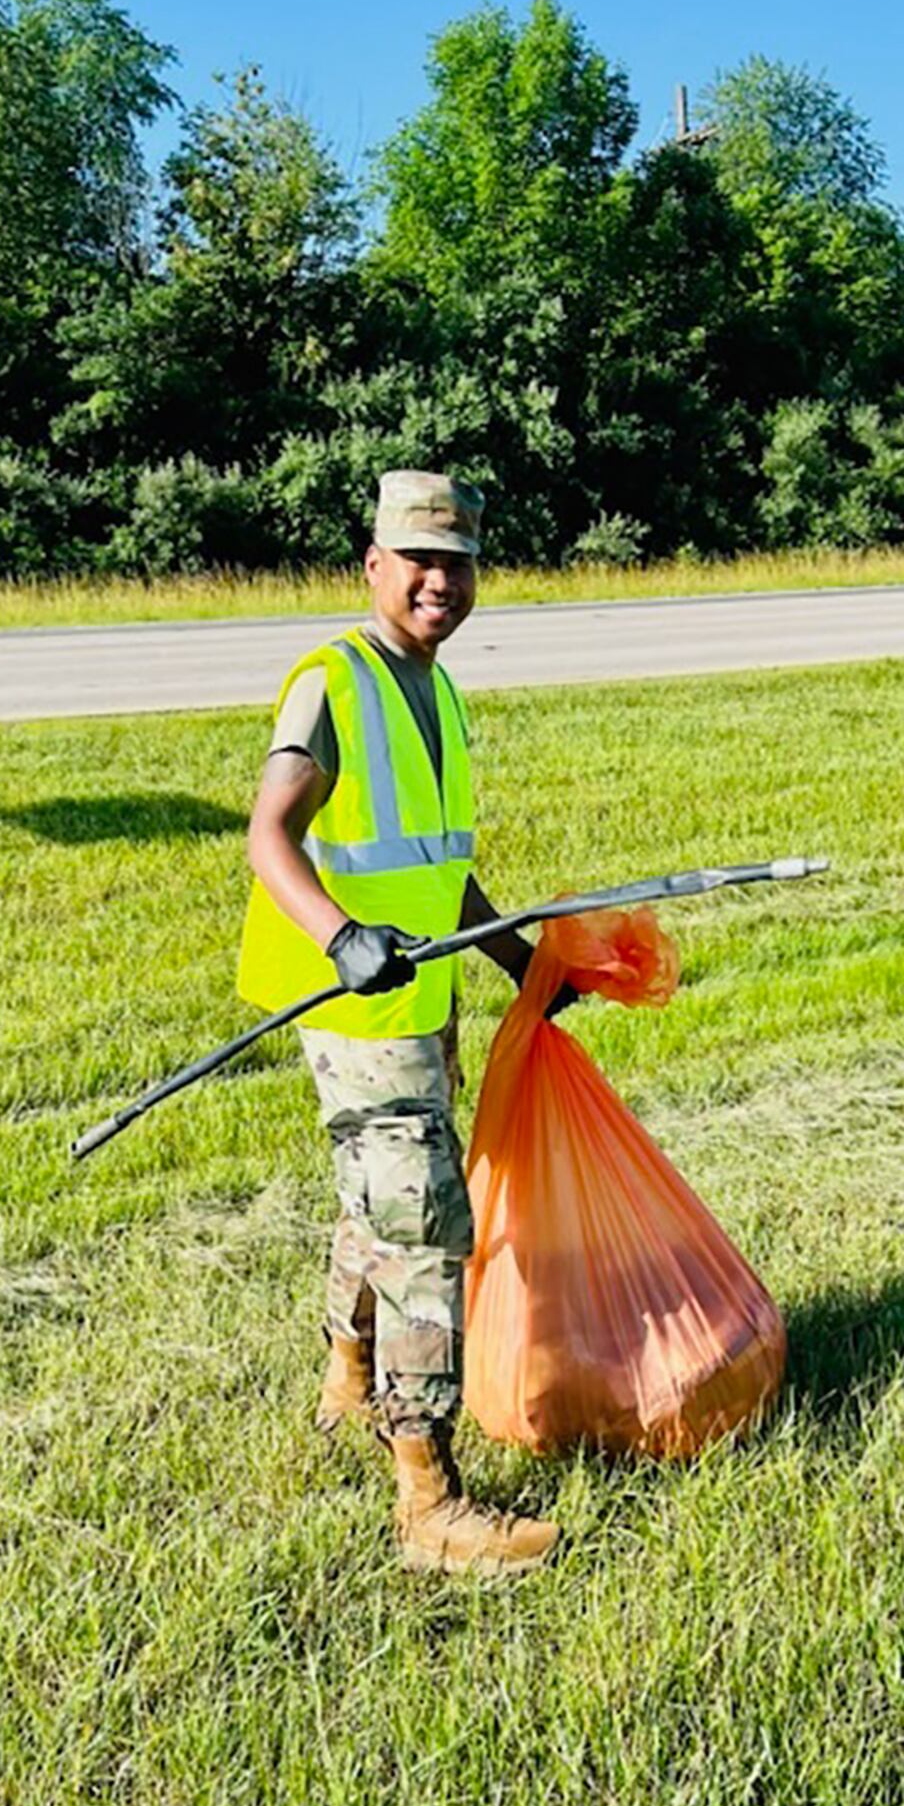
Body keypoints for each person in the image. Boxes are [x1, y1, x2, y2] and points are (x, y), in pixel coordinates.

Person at [238, 471, 560, 1577]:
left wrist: (518, 958)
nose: (437, 580)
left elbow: (435, 871)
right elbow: (269, 835)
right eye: (416, 559)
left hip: (419, 998)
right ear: (372, 566)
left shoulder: (437, 690)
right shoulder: (332, 681)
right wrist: (338, 937)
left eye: (456, 560)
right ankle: (428, 1499)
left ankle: (344, 1369)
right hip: (350, 1001)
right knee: (423, 1219)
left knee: (373, 1196)